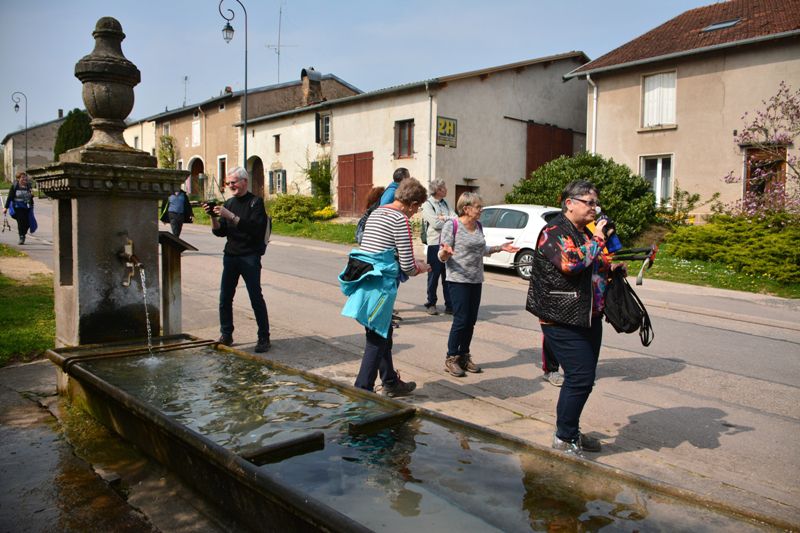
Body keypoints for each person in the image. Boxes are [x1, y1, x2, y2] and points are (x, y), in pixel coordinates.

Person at [525, 180, 626, 456]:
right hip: (561, 317)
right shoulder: (554, 231)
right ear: (570, 203)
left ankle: (571, 431)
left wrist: (611, 266)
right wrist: (599, 239)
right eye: (589, 202)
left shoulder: (583, 233)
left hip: (588, 315)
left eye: (596, 203)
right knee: (580, 378)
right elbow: (571, 264)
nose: (595, 208)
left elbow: (593, 262)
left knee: (584, 378)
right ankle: (564, 437)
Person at [340, 178, 431, 397]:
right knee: (377, 339)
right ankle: (362, 392)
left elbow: (375, 246)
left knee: (382, 332)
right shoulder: (400, 219)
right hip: (381, 286)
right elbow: (408, 266)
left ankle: (390, 381)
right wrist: (422, 267)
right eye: (417, 208)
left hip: (365, 279)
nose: (415, 213)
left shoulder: (378, 212)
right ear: (412, 203)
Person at [438, 192, 519, 377]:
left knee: (471, 321)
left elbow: (482, 249)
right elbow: (441, 253)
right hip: (458, 279)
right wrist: (445, 253)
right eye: (478, 207)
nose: (481, 210)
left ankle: (464, 355)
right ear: (466, 208)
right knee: (461, 319)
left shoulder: (479, 225)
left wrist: (500, 247)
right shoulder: (453, 225)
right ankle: (451, 358)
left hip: (476, 279)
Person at [204, 167, 271, 353]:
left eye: (233, 182)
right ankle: (226, 334)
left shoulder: (255, 202)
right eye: (228, 183)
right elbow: (220, 232)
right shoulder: (229, 203)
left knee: (255, 297)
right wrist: (213, 217)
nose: (230, 186)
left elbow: (255, 229)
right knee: (225, 297)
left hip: (249, 256)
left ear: (244, 182)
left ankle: (264, 337)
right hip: (231, 256)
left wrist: (230, 216)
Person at [421, 179, 454, 315]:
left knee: (448, 276)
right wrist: (448, 219)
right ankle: (431, 303)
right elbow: (435, 223)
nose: (446, 190)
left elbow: (456, 219)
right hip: (434, 244)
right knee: (433, 276)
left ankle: (450, 305)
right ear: (438, 190)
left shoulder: (445, 203)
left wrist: (444, 218)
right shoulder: (427, 205)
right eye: (444, 188)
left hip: (447, 243)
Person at [3, 172, 34, 245]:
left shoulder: (28, 186)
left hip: (27, 207)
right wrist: (6, 207)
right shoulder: (14, 186)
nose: (24, 179)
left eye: (25, 177)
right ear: (18, 179)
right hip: (17, 207)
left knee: (27, 223)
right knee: (21, 222)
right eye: (22, 177)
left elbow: (30, 197)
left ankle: (23, 233)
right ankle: (21, 237)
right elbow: (10, 197)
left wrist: (31, 195)